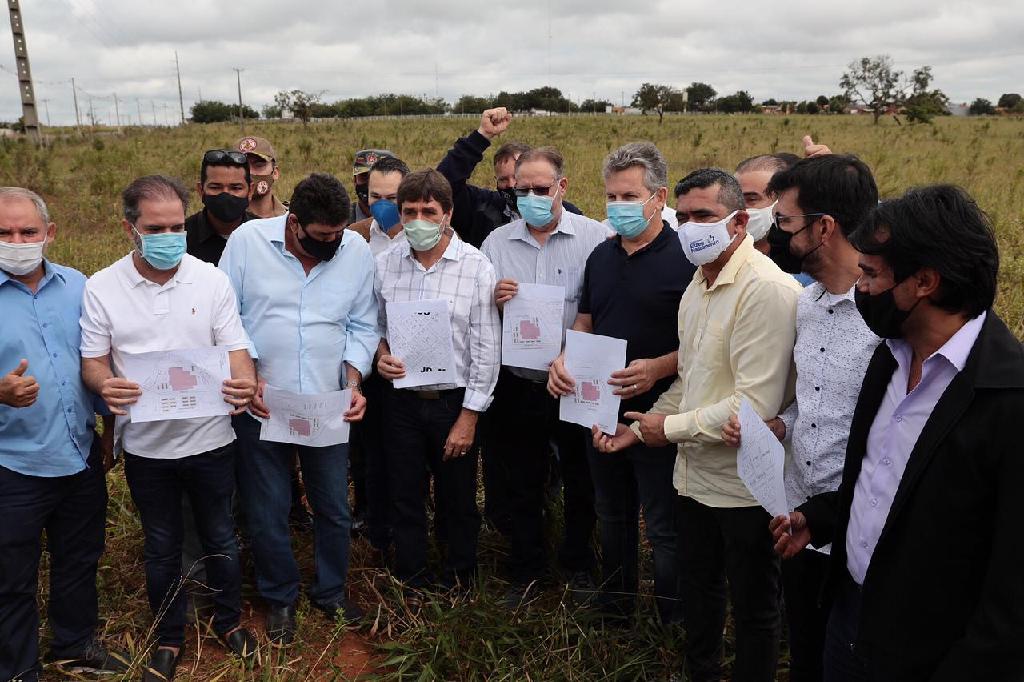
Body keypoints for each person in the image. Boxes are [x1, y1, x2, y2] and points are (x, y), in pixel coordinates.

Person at [771, 185, 1024, 682]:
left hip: (932, 654)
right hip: (850, 618)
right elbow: (882, 479)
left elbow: (1012, 589)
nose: (859, 287)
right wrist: (822, 518)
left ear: (924, 281)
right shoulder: (891, 355)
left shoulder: (1008, 401)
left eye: (870, 274)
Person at [594, 168, 801, 682]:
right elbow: (692, 376)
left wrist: (667, 430)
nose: (691, 228)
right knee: (701, 591)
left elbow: (751, 404)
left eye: (704, 216)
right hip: (693, 478)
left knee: (754, 607)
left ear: (739, 223)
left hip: (744, 485)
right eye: (683, 217)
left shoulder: (766, 290)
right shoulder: (697, 284)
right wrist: (639, 429)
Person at [80, 175, 258, 681]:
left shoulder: (211, 279)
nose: (169, 236)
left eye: (177, 226)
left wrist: (243, 382)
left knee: (221, 532)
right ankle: (169, 634)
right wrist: (106, 386)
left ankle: (229, 621)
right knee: (160, 544)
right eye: (155, 227)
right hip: (147, 448)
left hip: (211, 440)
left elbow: (235, 348)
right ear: (129, 229)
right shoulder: (102, 287)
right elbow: (93, 361)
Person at [722, 155, 881, 682]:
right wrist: (783, 423)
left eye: (785, 222)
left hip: (862, 530)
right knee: (808, 652)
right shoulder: (808, 304)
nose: (776, 233)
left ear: (825, 228)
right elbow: (813, 396)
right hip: (799, 519)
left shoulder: (884, 319)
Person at [219, 173, 378, 644]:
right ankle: (280, 598)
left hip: (327, 404)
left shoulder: (355, 251)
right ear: (294, 222)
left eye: (338, 234)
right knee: (268, 507)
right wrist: (252, 378)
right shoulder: (249, 243)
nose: (333, 243)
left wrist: (352, 381)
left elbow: (363, 324)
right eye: (321, 236)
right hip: (262, 404)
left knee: (332, 505)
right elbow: (224, 317)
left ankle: (330, 592)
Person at [548, 143, 693, 622]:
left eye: (629, 196)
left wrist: (658, 367)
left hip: (661, 412)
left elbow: (705, 345)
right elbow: (587, 318)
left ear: (659, 197)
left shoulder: (686, 260)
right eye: (611, 197)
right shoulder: (601, 256)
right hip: (599, 407)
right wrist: (566, 357)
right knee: (611, 513)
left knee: (663, 523)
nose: (618, 207)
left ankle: (672, 616)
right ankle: (616, 606)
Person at [0, 188, 128, 682]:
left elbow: (100, 360)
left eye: (28, 232)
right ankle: (18, 668)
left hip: (79, 454)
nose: (17, 241)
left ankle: (74, 646)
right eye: (5, 233)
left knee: (79, 559)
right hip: (13, 464)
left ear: (49, 234)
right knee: (11, 577)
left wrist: (110, 430)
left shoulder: (80, 287)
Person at [480, 146, 607, 604]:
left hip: (575, 382)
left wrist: (573, 355)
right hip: (520, 383)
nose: (531, 197)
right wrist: (492, 297)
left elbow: (601, 308)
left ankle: (578, 564)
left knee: (581, 478)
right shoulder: (496, 243)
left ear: (562, 187)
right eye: (522, 190)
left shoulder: (595, 238)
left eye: (541, 188)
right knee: (523, 481)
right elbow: (478, 312)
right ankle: (526, 568)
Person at [375, 169, 500, 593]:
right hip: (402, 403)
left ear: (447, 214)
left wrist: (469, 417)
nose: (418, 220)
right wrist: (382, 356)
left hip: (454, 402)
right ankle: (411, 576)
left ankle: (460, 577)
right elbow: (374, 327)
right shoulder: (386, 263)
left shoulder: (476, 266)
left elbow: (486, 347)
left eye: (429, 211)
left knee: (458, 497)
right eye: (409, 211)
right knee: (405, 493)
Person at [345, 154, 411, 556]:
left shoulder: (423, 234)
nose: (383, 204)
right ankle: (370, 516)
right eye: (375, 196)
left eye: (392, 196)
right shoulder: (354, 237)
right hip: (363, 361)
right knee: (365, 447)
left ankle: (406, 517)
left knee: (403, 451)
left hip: (407, 362)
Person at [437, 107, 584, 248]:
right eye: (503, 180)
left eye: (517, 178)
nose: (511, 185)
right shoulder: (480, 208)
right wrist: (482, 136)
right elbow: (441, 185)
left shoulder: (568, 213)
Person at [184, 149, 253, 265]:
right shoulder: (182, 238)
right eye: (215, 187)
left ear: (250, 191)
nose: (226, 194)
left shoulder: (265, 236)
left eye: (236, 188)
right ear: (201, 190)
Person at [237, 136, 287, 218]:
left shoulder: (291, 217)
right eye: (241, 166)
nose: (250, 172)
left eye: (259, 165)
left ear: (275, 173)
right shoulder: (223, 220)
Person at [351, 149, 395, 224]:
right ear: (355, 181)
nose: (371, 183)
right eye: (365, 176)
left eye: (380, 176)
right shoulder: (339, 221)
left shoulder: (407, 219)